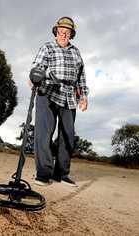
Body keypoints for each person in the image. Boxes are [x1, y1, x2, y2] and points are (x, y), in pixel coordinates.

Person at [29, 16, 89, 187]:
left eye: (67, 32)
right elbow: (37, 67)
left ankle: (61, 174)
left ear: (71, 34)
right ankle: (43, 173)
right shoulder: (47, 47)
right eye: (61, 32)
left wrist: (84, 96)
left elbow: (81, 76)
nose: (63, 35)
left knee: (68, 136)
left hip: (69, 96)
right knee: (44, 133)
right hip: (48, 92)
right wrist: (36, 76)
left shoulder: (76, 52)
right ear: (56, 32)